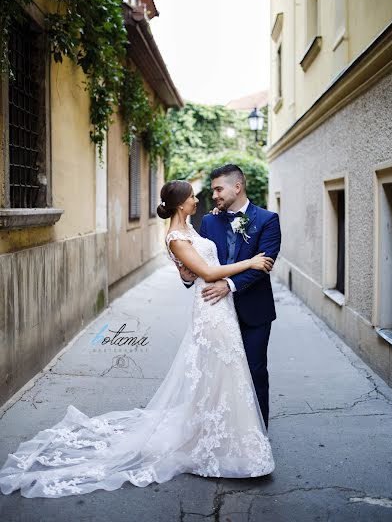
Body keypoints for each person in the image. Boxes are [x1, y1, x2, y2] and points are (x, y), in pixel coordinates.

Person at [0, 179, 275, 499]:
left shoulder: (190, 228)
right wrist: (252, 262)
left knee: (220, 373)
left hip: (220, 306)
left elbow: (194, 270)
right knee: (218, 370)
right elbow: (210, 273)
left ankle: (222, 434)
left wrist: (191, 266)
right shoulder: (175, 237)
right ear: (181, 203)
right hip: (211, 307)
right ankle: (216, 443)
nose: (197, 201)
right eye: (191, 198)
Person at [179, 164, 281, 431]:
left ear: (237, 187)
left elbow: (264, 265)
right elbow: (202, 262)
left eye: (218, 189)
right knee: (218, 374)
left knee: (255, 371)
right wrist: (187, 277)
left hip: (254, 311)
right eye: (213, 190)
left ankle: (258, 434)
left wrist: (229, 285)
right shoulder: (210, 221)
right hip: (216, 311)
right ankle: (222, 431)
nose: (214, 195)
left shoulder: (268, 219)